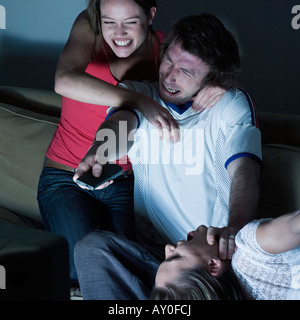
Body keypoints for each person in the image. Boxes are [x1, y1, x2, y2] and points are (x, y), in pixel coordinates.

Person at [73, 13, 262, 300]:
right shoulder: (137, 94)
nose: (169, 76)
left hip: (215, 261)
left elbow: (245, 171)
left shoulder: (229, 105)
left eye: (186, 71)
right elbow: (121, 123)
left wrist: (233, 231)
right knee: (92, 248)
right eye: (168, 61)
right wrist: (100, 151)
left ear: (214, 78)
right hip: (157, 255)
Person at [37, 0, 223, 287]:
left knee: (124, 268)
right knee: (79, 270)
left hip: (123, 181)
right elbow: (63, 81)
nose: (118, 32)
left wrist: (217, 83)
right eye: (109, 20)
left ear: (150, 16)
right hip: (65, 175)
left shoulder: (164, 51)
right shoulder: (91, 27)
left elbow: (199, 71)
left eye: (130, 21)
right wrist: (139, 101)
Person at [152, 210, 300, 300]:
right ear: (213, 265)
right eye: (174, 257)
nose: (168, 247)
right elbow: (295, 226)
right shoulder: (248, 252)